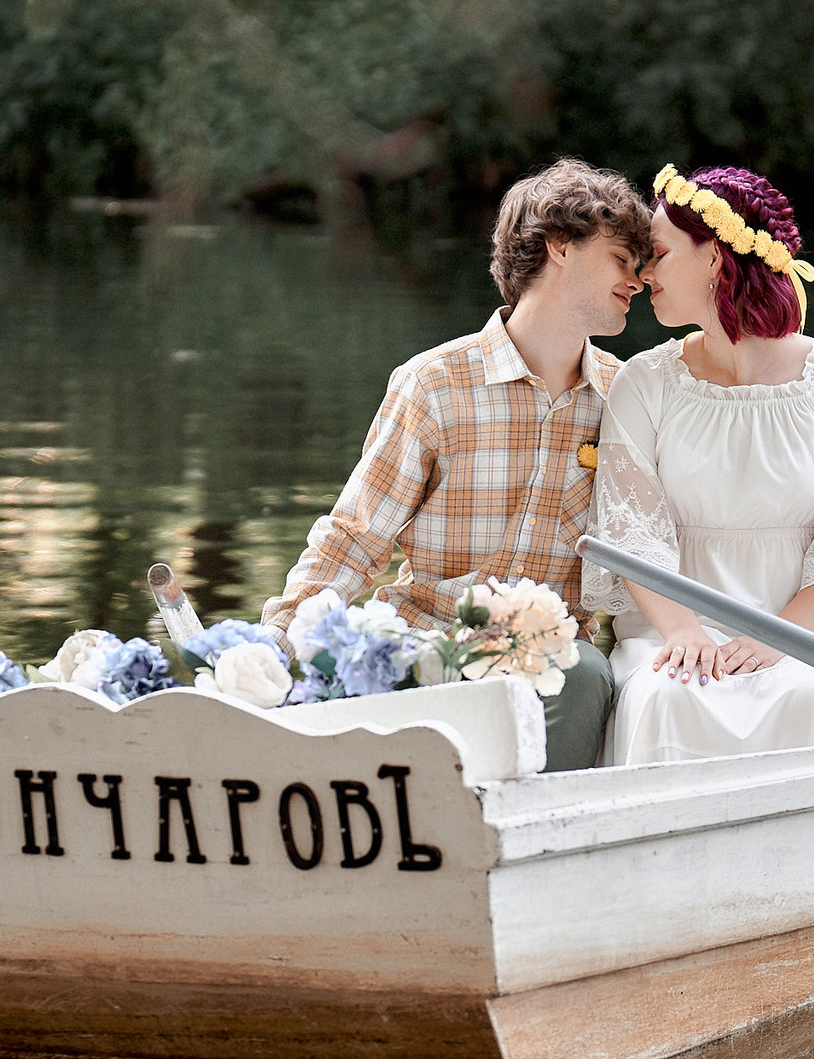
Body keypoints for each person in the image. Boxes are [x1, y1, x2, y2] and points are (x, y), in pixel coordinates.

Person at [263, 159, 649, 772]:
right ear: (559, 247)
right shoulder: (436, 385)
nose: (638, 281)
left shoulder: (626, 398)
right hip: (427, 643)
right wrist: (274, 646)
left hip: (548, 657)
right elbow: (358, 536)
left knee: (586, 673)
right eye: (621, 259)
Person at [581, 166, 814, 766]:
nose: (643, 273)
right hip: (673, 627)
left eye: (656, 255)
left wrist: (775, 638)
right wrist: (683, 633)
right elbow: (636, 538)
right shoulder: (645, 384)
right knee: (666, 698)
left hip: (810, 633)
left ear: (713, 257)